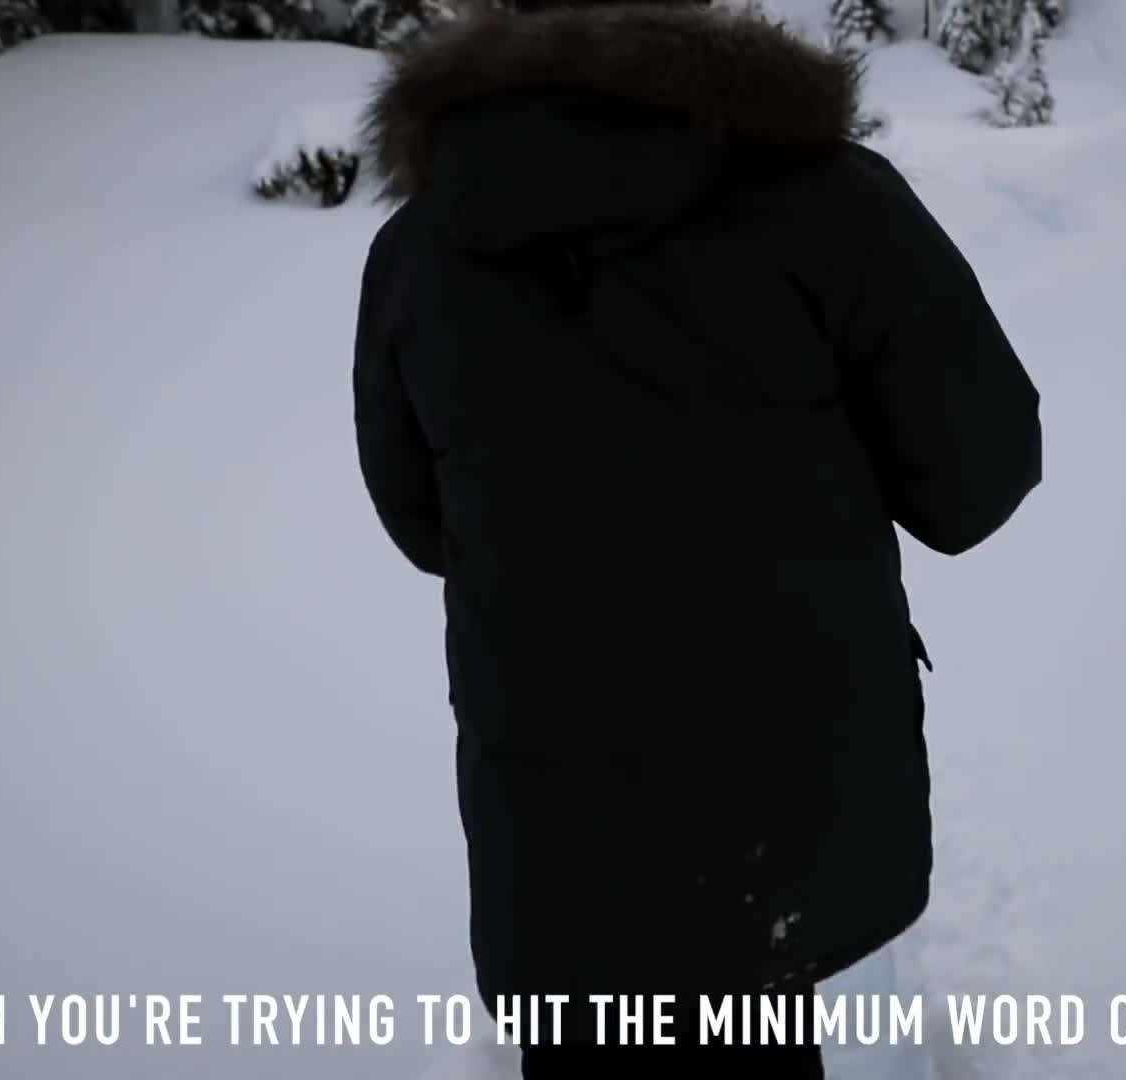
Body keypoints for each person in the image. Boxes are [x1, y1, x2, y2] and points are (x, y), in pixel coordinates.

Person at [352, 0, 1041, 1074]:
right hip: (790, 821)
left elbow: (420, 523)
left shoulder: (418, 251)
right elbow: (978, 481)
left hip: (557, 833)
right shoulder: (830, 204)